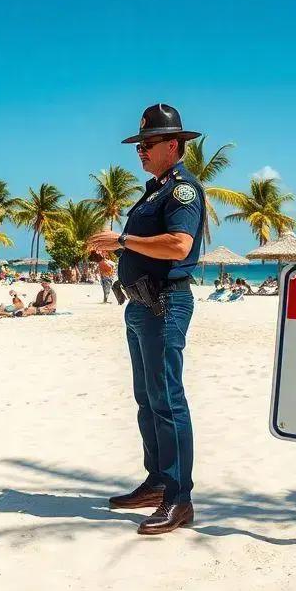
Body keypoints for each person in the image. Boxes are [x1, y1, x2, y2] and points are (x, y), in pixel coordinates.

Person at [87, 103, 204, 535]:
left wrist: (122, 240)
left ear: (172, 145)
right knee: (147, 398)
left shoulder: (181, 191)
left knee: (168, 400)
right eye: (139, 144)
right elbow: (143, 247)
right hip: (139, 305)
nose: (140, 151)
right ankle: (157, 481)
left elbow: (177, 245)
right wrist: (118, 255)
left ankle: (179, 498)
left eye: (148, 143)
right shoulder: (152, 190)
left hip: (164, 305)